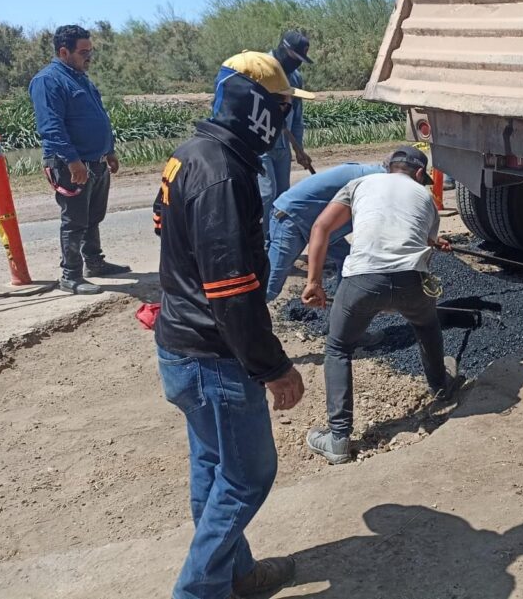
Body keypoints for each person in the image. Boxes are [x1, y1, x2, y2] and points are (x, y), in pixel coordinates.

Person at [153, 51, 315, 599]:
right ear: (257, 107)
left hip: (182, 346)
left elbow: (164, 228)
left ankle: (235, 576)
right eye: (284, 106)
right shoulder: (223, 173)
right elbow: (232, 291)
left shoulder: (190, 155)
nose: (288, 118)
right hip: (213, 356)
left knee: (213, 468)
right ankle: (197, 592)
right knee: (248, 476)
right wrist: (273, 367)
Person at [301, 146, 460, 465]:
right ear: (418, 174)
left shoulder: (362, 184)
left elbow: (320, 228)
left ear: (390, 168)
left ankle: (338, 438)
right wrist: (435, 242)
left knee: (338, 348)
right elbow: (420, 240)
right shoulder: (425, 196)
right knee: (427, 326)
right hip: (411, 282)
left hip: (363, 281)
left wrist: (314, 282)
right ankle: (441, 387)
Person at [29, 24, 129, 295]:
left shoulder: (80, 77)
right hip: (70, 164)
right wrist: (73, 162)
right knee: (74, 220)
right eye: (84, 52)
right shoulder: (48, 81)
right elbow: (51, 127)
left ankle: (94, 263)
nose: (89, 57)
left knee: (92, 216)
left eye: (90, 51)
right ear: (64, 51)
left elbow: (96, 116)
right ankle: (70, 275)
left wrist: (109, 150)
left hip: (95, 161)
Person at [218, 31, 315, 247]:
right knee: (266, 195)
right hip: (259, 146)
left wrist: (299, 149)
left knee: (283, 197)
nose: (296, 65)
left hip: (281, 148)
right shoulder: (258, 69)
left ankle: (278, 242)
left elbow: (297, 119)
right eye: (295, 59)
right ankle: (260, 243)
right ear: (284, 49)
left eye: (301, 61)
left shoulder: (295, 78)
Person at [265, 161, 386, 302]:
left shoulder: (380, 176)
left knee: (346, 260)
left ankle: (341, 309)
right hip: (292, 218)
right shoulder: (375, 182)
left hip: (320, 224)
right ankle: (240, 319)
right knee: (270, 287)